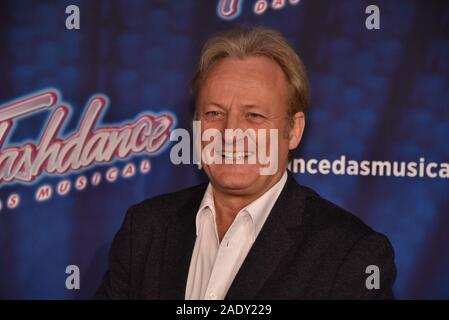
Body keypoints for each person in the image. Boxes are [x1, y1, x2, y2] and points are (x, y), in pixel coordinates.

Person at [94, 26, 396, 300]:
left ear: (294, 131)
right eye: (214, 114)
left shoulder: (350, 254)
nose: (230, 134)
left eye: (254, 116)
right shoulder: (145, 230)